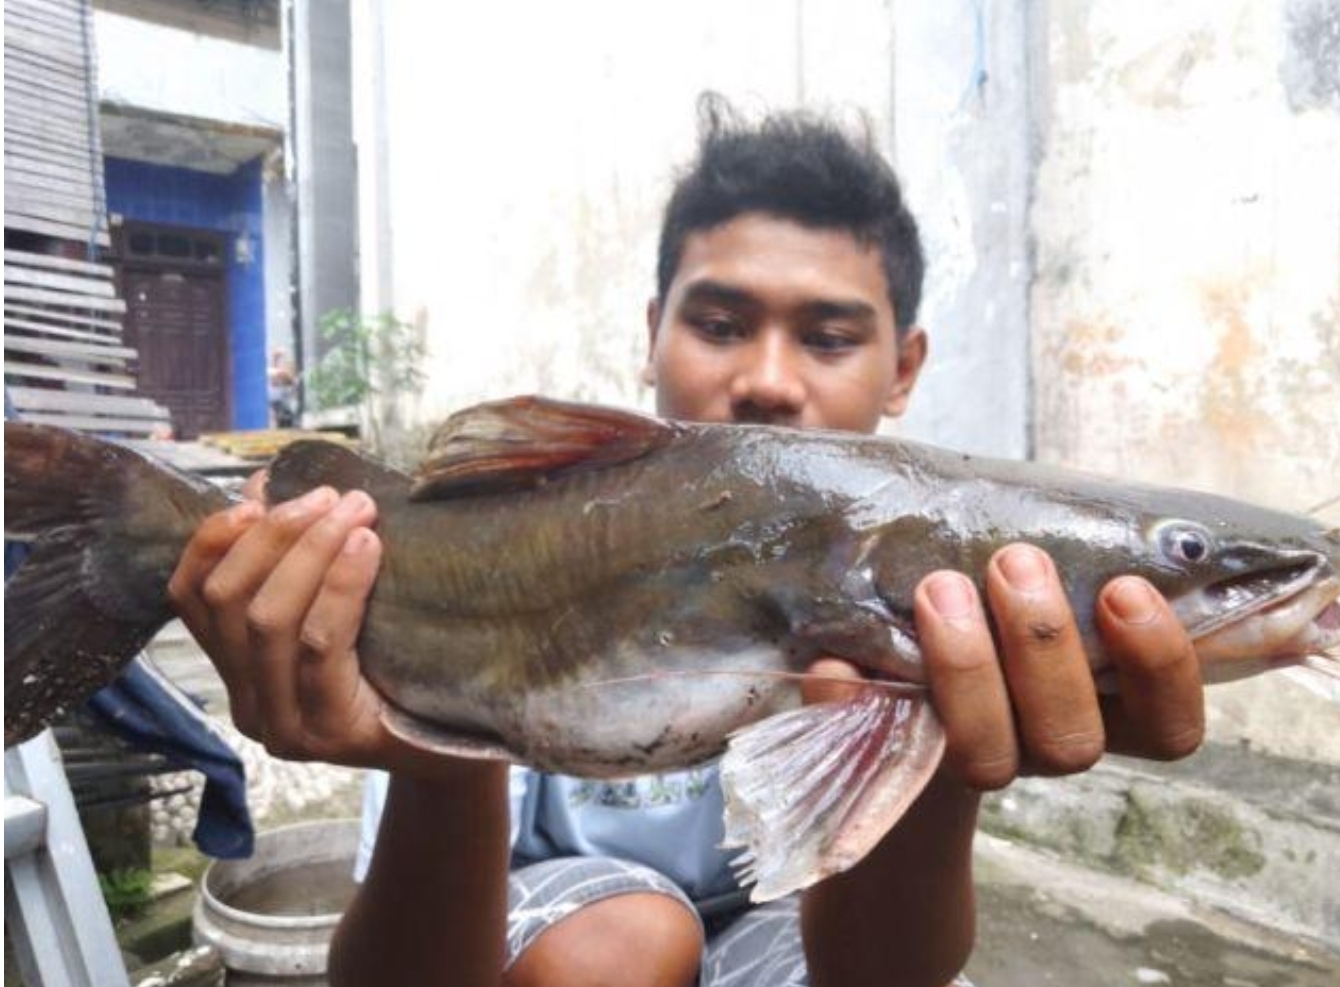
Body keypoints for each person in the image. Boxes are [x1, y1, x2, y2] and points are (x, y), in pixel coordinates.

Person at [168, 100, 1206, 987]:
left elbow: (879, 975)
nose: (765, 377)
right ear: (651, 328)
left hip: (781, 934)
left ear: (904, 368)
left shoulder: (924, 598)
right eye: (718, 323)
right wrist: (437, 762)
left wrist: (938, 754)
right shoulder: (532, 529)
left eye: (829, 336)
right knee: (628, 939)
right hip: (551, 932)